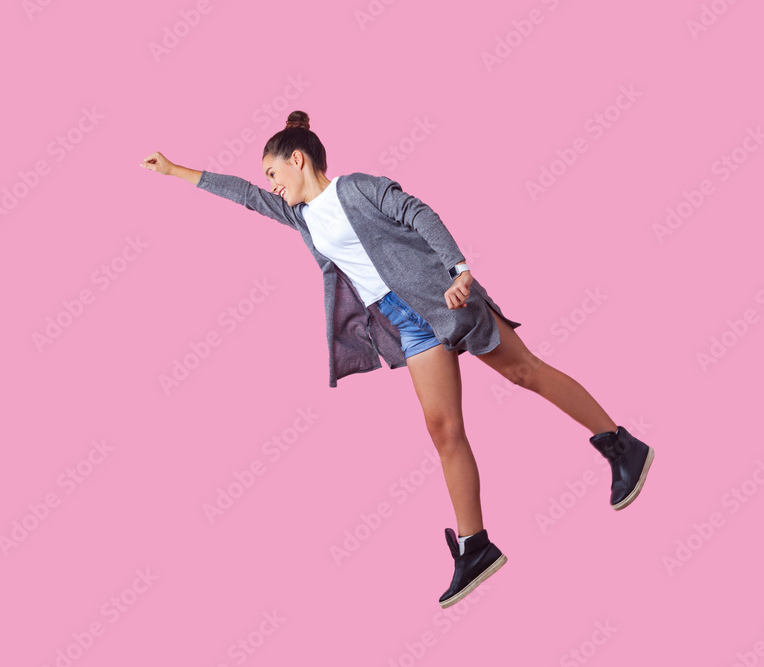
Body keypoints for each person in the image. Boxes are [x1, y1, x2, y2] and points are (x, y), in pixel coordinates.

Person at [141, 110, 655, 609]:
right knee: (442, 427)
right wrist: (175, 171)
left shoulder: (357, 188)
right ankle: (476, 545)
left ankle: (620, 444)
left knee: (525, 371)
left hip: (442, 295)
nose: (270, 184)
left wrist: (459, 269)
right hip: (405, 321)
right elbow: (247, 197)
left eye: (273, 173)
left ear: (298, 161)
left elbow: (419, 213)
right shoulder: (299, 215)